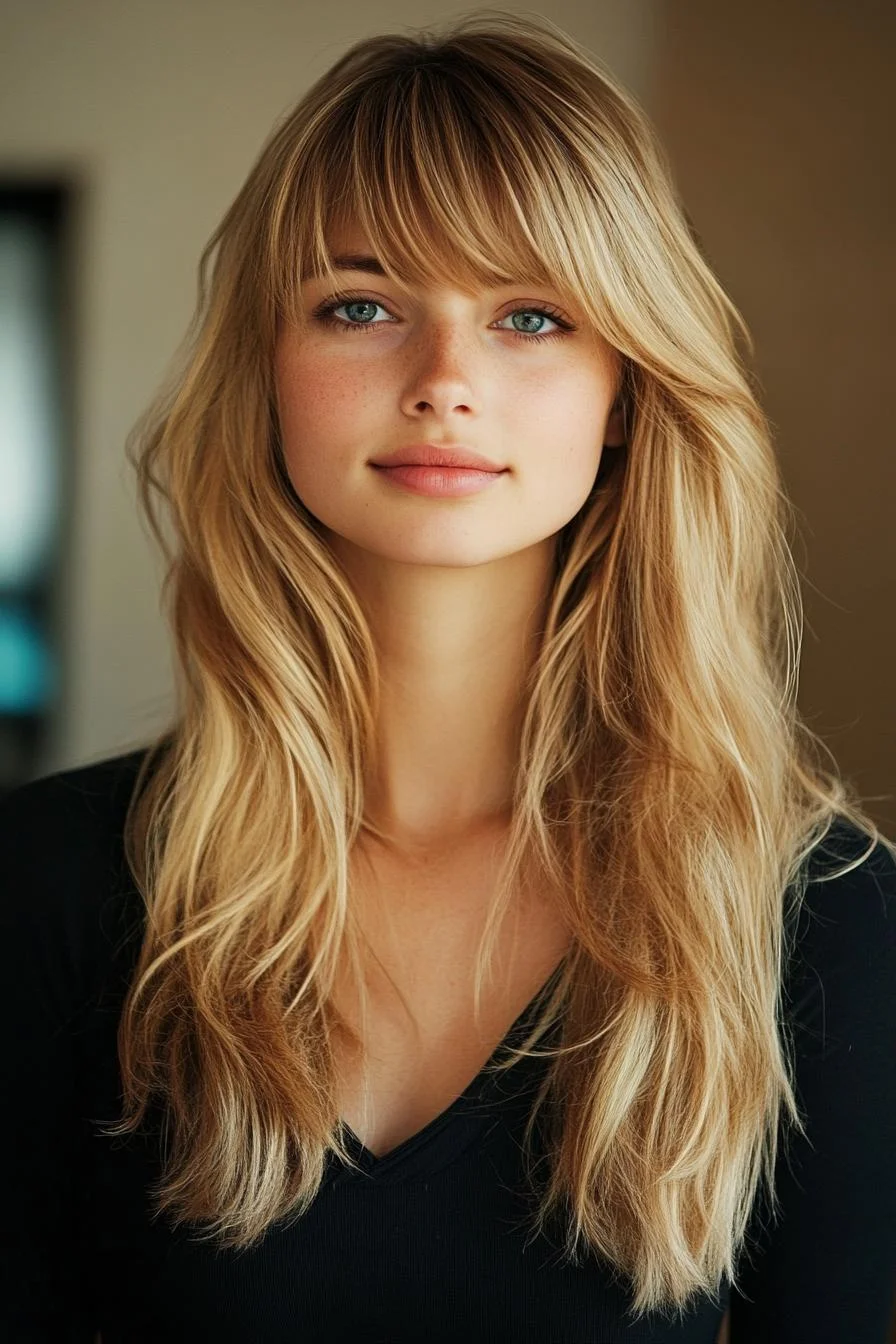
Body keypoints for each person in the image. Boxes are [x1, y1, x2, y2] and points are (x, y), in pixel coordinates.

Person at [1, 11, 894, 1343]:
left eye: (532, 315)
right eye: (361, 305)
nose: (446, 381)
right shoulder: (44, 886)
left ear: (627, 392)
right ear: (267, 372)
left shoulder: (819, 922)